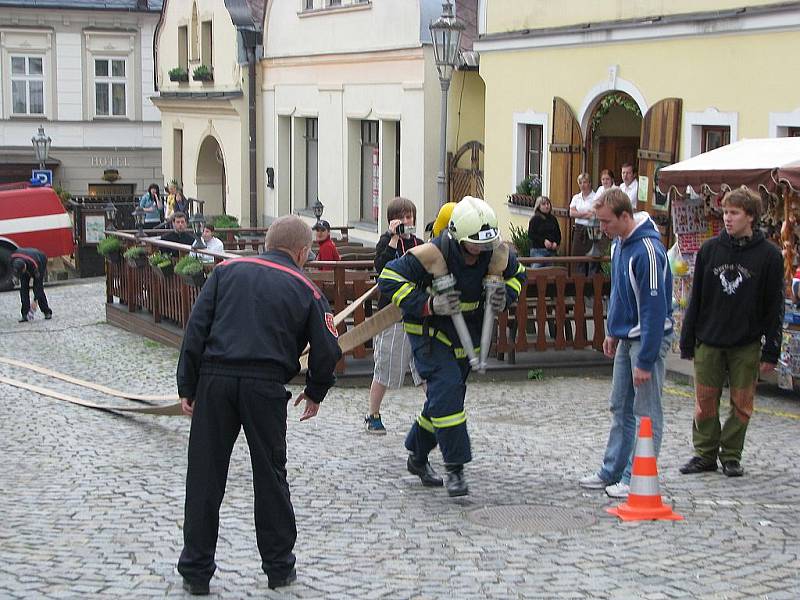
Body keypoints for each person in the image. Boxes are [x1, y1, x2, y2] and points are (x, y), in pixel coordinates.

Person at [176, 215, 341, 596]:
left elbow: (195, 328)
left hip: (214, 380)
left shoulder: (225, 271)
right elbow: (328, 348)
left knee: (204, 476)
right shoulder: (306, 288)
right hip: (265, 387)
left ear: (267, 243)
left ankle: (195, 571)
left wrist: (188, 383)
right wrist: (316, 391)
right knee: (270, 476)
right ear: (302, 252)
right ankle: (279, 568)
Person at [378, 196, 526, 497]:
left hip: (466, 335)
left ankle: (417, 457)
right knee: (448, 397)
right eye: (475, 245)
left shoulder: (494, 251)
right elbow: (389, 277)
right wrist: (429, 304)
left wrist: (506, 296)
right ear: (458, 237)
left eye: (486, 244)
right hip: (431, 333)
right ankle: (456, 468)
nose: (481, 251)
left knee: (444, 399)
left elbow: (518, 275)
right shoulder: (432, 254)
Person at [678, 187, 784, 478]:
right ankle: (705, 453)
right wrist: (687, 340)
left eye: (734, 213)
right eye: (725, 212)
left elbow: (775, 306)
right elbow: (696, 298)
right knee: (705, 402)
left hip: (746, 343)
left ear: (750, 216)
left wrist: (772, 349)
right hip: (709, 339)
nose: (727, 218)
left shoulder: (770, 256)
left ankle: (732, 455)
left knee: (742, 404)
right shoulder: (710, 250)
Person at [578, 189, 673, 499]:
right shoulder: (620, 244)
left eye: (606, 222)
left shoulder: (648, 251)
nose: (602, 229)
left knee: (646, 411)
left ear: (624, 216)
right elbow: (619, 293)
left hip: (647, 340)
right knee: (620, 406)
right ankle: (613, 469)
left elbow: (654, 309)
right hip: (626, 337)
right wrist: (611, 331)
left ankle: (637, 475)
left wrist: (645, 360)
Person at [365, 197, 425, 434]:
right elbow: (382, 268)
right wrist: (392, 239)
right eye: (403, 217)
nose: (407, 221)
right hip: (392, 314)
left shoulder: (420, 243)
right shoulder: (385, 243)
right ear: (392, 220)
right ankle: (373, 414)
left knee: (425, 367)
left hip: (417, 313)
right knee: (386, 366)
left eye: (410, 216)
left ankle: (438, 413)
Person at [10, 248, 52, 322]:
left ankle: (47, 311)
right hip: (25, 259)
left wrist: (35, 300)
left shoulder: (35, 265)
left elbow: (38, 285)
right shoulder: (12, 260)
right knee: (23, 288)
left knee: (37, 289)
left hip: (40, 259)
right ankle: (24, 314)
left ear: (25, 267)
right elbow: (15, 274)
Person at [569, 173, 596, 274]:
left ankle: (591, 286)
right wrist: (586, 214)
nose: (583, 185)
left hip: (592, 229)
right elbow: (571, 213)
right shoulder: (576, 197)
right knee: (578, 259)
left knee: (592, 259)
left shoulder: (596, 197)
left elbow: (594, 215)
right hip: (579, 229)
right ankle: (578, 284)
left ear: (589, 183)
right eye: (580, 183)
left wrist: (579, 214)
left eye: (585, 182)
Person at [527, 195, 561, 266]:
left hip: (551, 252)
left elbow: (558, 234)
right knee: (537, 272)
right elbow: (531, 235)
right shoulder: (535, 219)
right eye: (543, 204)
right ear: (538, 206)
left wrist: (556, 243)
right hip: (538, 251)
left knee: (550, 274)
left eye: (548, 204)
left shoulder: (553, 219)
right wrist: (543, 241)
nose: (546, 206)